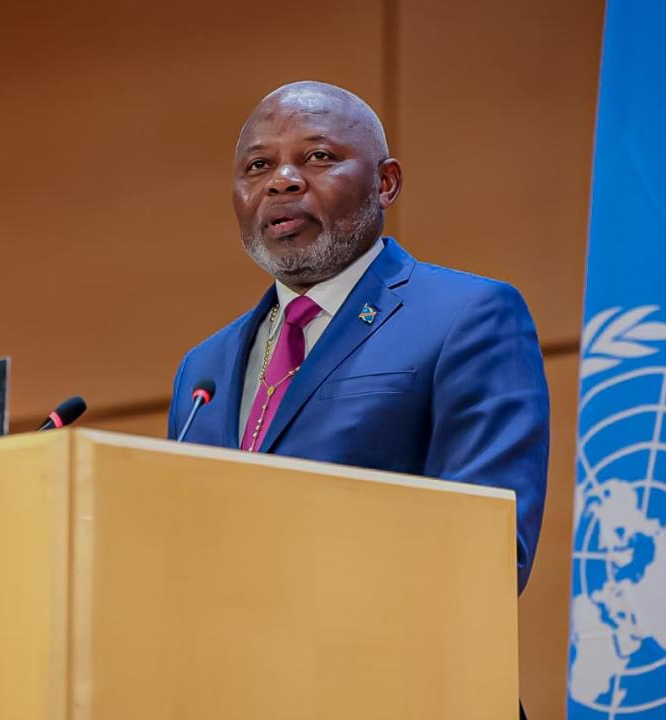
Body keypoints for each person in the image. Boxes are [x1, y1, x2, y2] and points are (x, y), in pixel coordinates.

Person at [166, 81, 549, 597]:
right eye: (258, 166)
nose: (281, 181)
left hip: (385, 663)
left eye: (318, 156)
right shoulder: (202, 371)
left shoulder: (467, 317)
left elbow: (486, 552)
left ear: (385, 183)